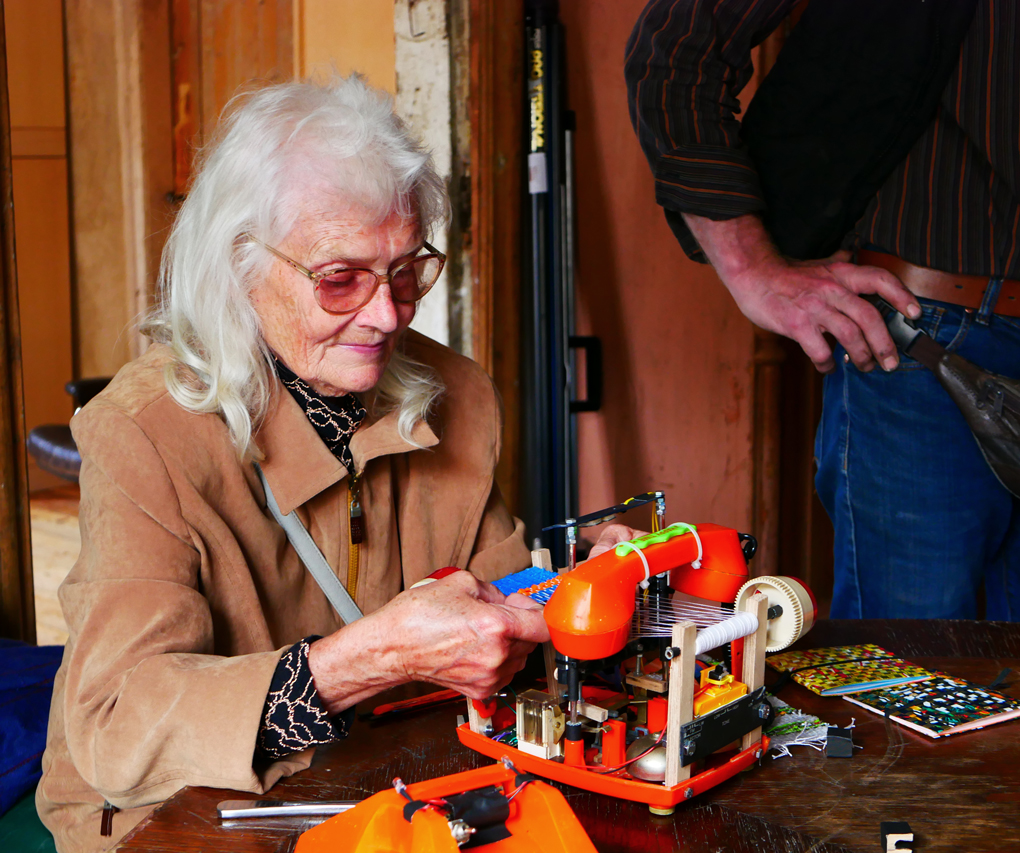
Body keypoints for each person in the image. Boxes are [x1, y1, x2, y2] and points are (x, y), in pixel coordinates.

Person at [36, 76, 572, 853]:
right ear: (240, 267)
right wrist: (365, 659)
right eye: (340, 278)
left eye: (406, 270)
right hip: (189, 814)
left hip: (382, 784)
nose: (387, 314)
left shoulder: (459, 395)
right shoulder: (142, 431)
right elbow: (117, 723)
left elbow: (503, 599)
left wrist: (571, 591)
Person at [625, 0, 1020, 619]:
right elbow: (677, 43)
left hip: (932, 337)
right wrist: (750, 265)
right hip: (927, 339)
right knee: (909, 675)